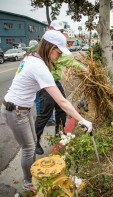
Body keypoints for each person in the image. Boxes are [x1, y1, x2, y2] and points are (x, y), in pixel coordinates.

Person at [1, 30, 92, 191]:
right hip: (15, 111)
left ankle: (30, 178)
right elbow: (62, 102)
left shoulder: (32, 57)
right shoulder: (39, 66)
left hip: (21, 109)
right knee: (29, 148)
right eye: (58, 52)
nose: (59, 56)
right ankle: (28, 183)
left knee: (29, 145)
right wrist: (82, 120)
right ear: (49, 47)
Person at [35, 20, 86, 155]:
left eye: (61, 30)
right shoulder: (46, 48)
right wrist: (84, 69)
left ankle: (60, 133)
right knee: (44, 115)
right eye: (57, 30)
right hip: (45, 84)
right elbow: (67, 60)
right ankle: (35, 141)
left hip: (55, 82)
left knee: (61, 111)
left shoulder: (57, 46)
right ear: (50, 29)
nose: (59, 33)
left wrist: (85, 69)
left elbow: (67, 60)